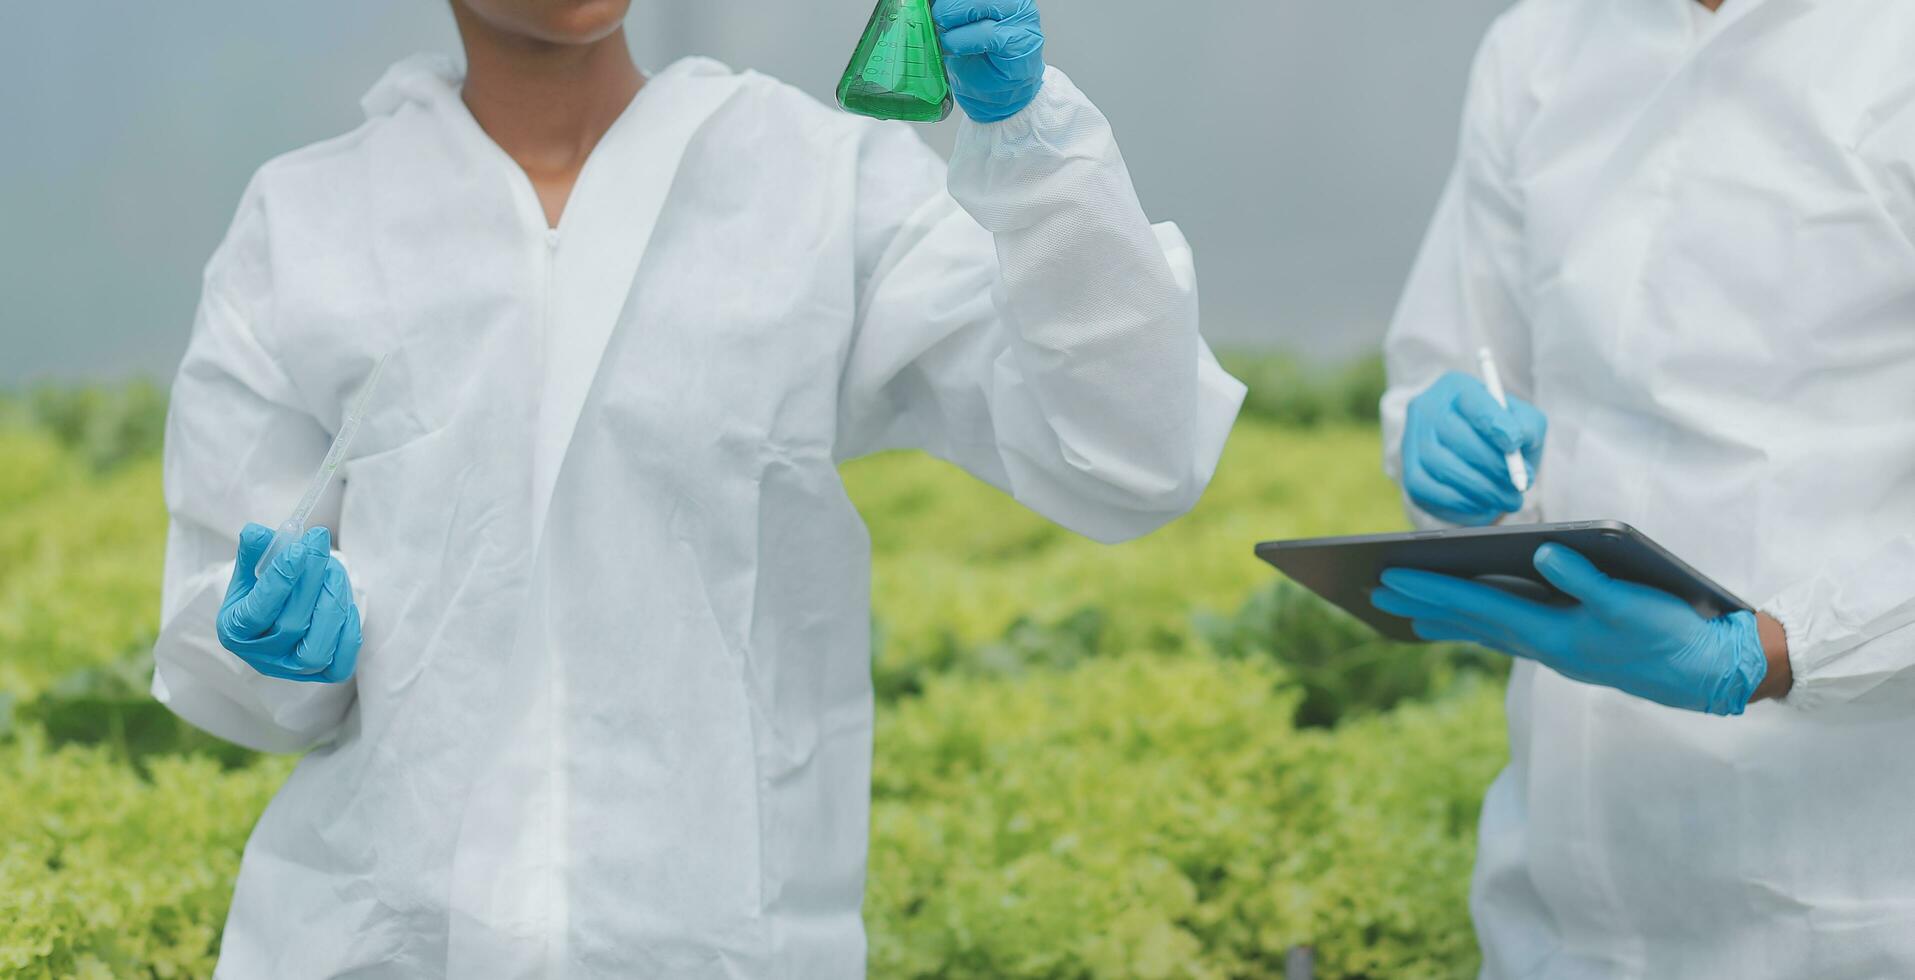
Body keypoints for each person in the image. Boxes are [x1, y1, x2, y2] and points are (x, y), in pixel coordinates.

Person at [151, 1, 1245, 975]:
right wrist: (272, 649)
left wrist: (1029, 144)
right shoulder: (310, 222)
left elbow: (1128, 451)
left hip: (715, 940)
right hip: (375, 939)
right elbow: (218, 615)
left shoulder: (814, 180)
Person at [1369, 0, 1915, 974]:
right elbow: (1460, 359)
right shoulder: (1534, 48)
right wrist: (1440, 451)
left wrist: (1780, 647)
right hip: (1562, 895)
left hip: (1860, 893)